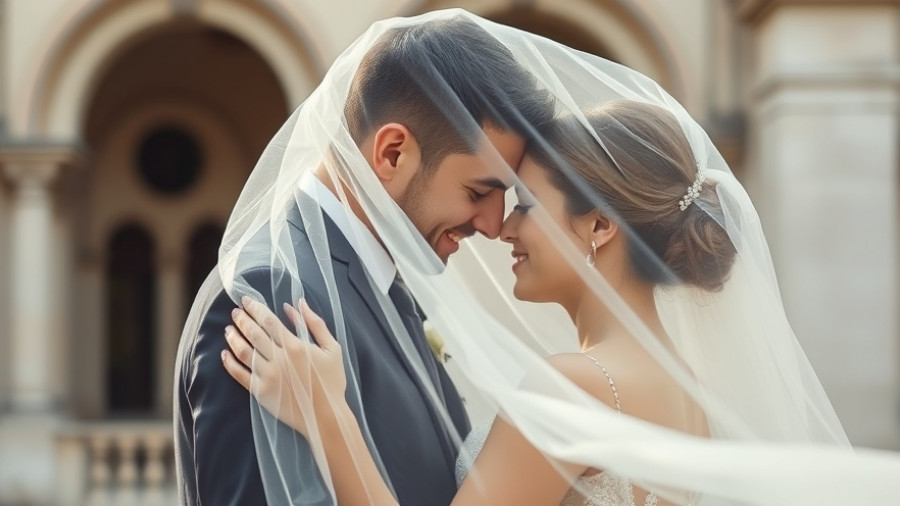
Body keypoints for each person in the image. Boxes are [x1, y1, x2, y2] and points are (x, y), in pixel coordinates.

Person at [216, 9, 900, 506]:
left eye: (525, 205)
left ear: (598, 226)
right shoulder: (684, 383)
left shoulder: (577, 384)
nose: (501, 229)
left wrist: (328, 416)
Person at [173, 12, 554, 506]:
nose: (490, 223)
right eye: (479, 190)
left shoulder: (384, 284)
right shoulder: (272, 294)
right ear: (393, 153)